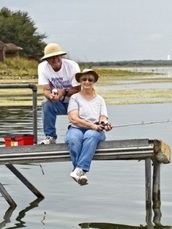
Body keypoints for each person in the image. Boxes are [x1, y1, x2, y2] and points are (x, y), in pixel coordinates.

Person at [65, 69, 112, 186]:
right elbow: (73, 118)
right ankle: (81, 172)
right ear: (80, 81)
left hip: (95, 130)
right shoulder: (75, 98)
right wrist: (91, 125)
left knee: (90, 135)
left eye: (90, 79)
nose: (87, 82)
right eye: (84, 79)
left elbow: (103, 117)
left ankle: (78, 170)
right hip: (76, 127)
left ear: (94, 82)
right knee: (73, 139)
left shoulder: (100, 99)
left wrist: (104, 125)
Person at [38, 43, 81, 144]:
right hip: (58, 103)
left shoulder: (72, 66)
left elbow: (78, 89)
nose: (54, 59)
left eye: (57, 56)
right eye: (51, 57)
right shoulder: (42, 67)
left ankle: (80, 132)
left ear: (61, 56)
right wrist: (50, 96)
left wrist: (63, 92)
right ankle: (50, 136)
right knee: (46, 103)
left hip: (75, 103)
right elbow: (45, 89)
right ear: (46, 59)